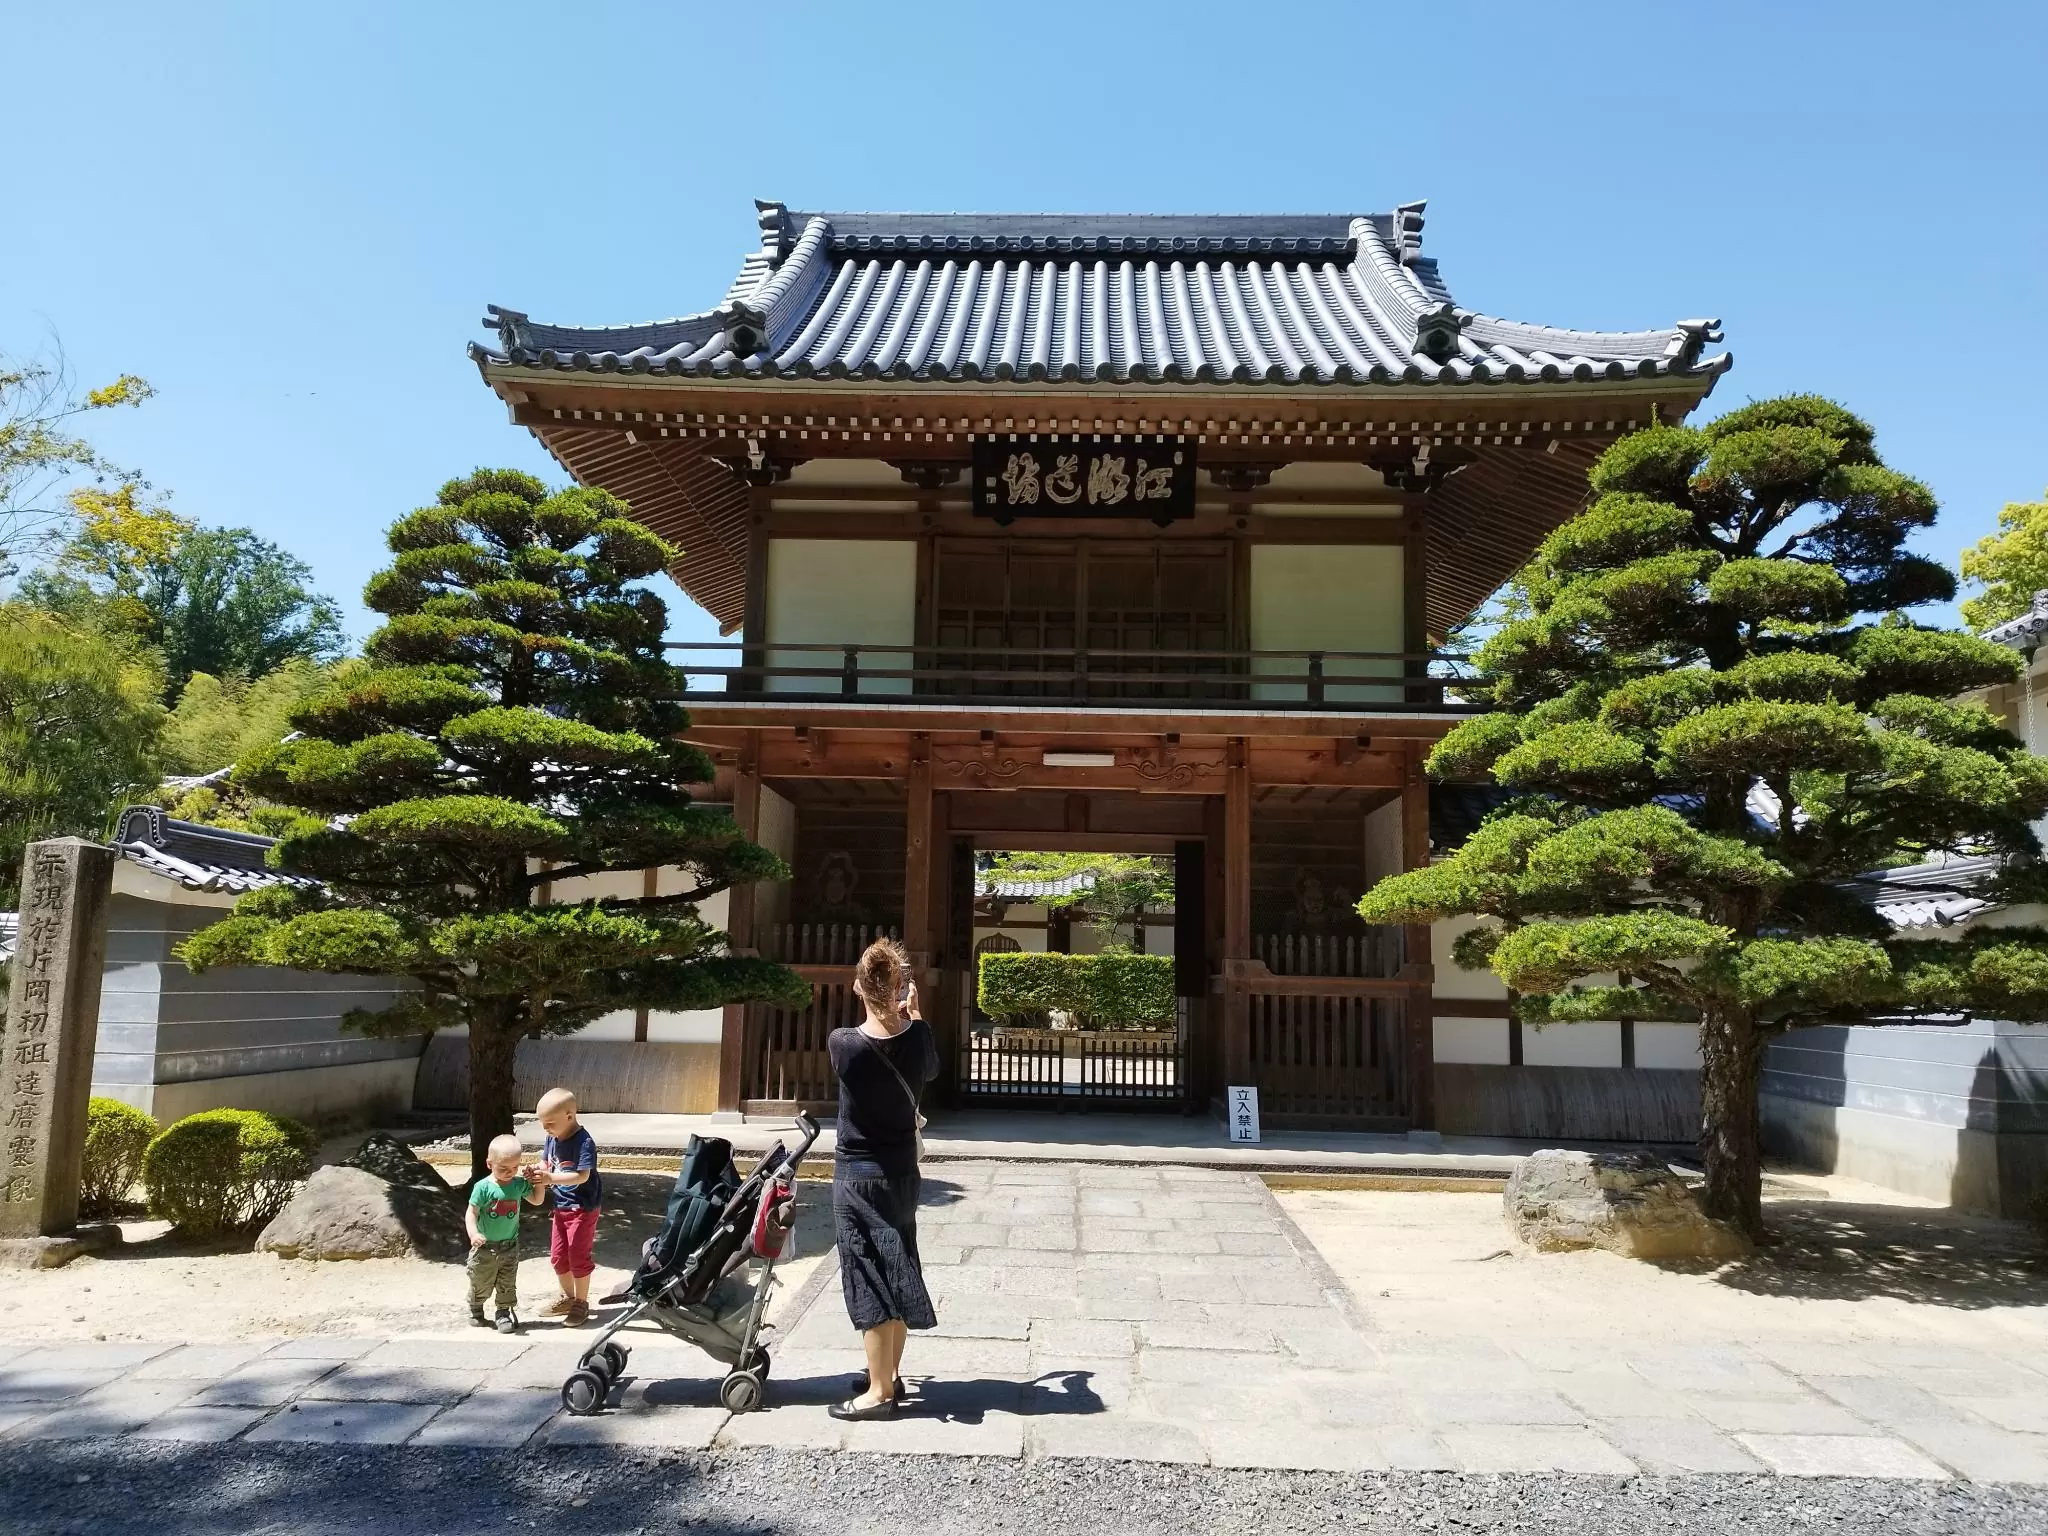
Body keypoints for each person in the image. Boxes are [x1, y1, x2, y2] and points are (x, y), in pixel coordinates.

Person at [825, 936, 939, 1421]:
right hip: (902, 1174)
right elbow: (928, 1069)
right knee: (897, 1263)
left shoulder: (843, 1044)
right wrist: (913, 1016)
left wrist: (894, 1012)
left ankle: (878, 1391)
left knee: (869, 1274)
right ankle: (888, 1373)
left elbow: (867, 1042)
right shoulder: (919, 1037)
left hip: (857, 1173)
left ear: (857, 986)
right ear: (899, 987)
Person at [528, 1086, 603, 1326]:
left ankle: (581, 1302)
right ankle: (567, 1298)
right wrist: (536, 1171)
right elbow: (545, 1163)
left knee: (578, 1256)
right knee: (558, 1256)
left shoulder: (583, 1142)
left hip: (582, 1208)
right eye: (542, 1123)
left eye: (549, 1123)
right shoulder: (552, 1138)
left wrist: (550, 1179)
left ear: (569, 1115)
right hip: (561, 1206)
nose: (545, 1129)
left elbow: (581, 1176)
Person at [465, 1132, 545, 1332]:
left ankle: (503, 1313)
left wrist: (539, 1181)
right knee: (480, 1279)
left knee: (507, 1281)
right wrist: (474, 1234)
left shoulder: (518, 1185)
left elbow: (537, 1200)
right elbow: (471, 1213)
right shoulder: (482, 1187)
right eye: (503, 1168)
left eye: (515, 1167)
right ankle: (476, 1308)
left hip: (509, 1245)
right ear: (489, 1163)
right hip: (485, 1247)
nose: (510, 1172)